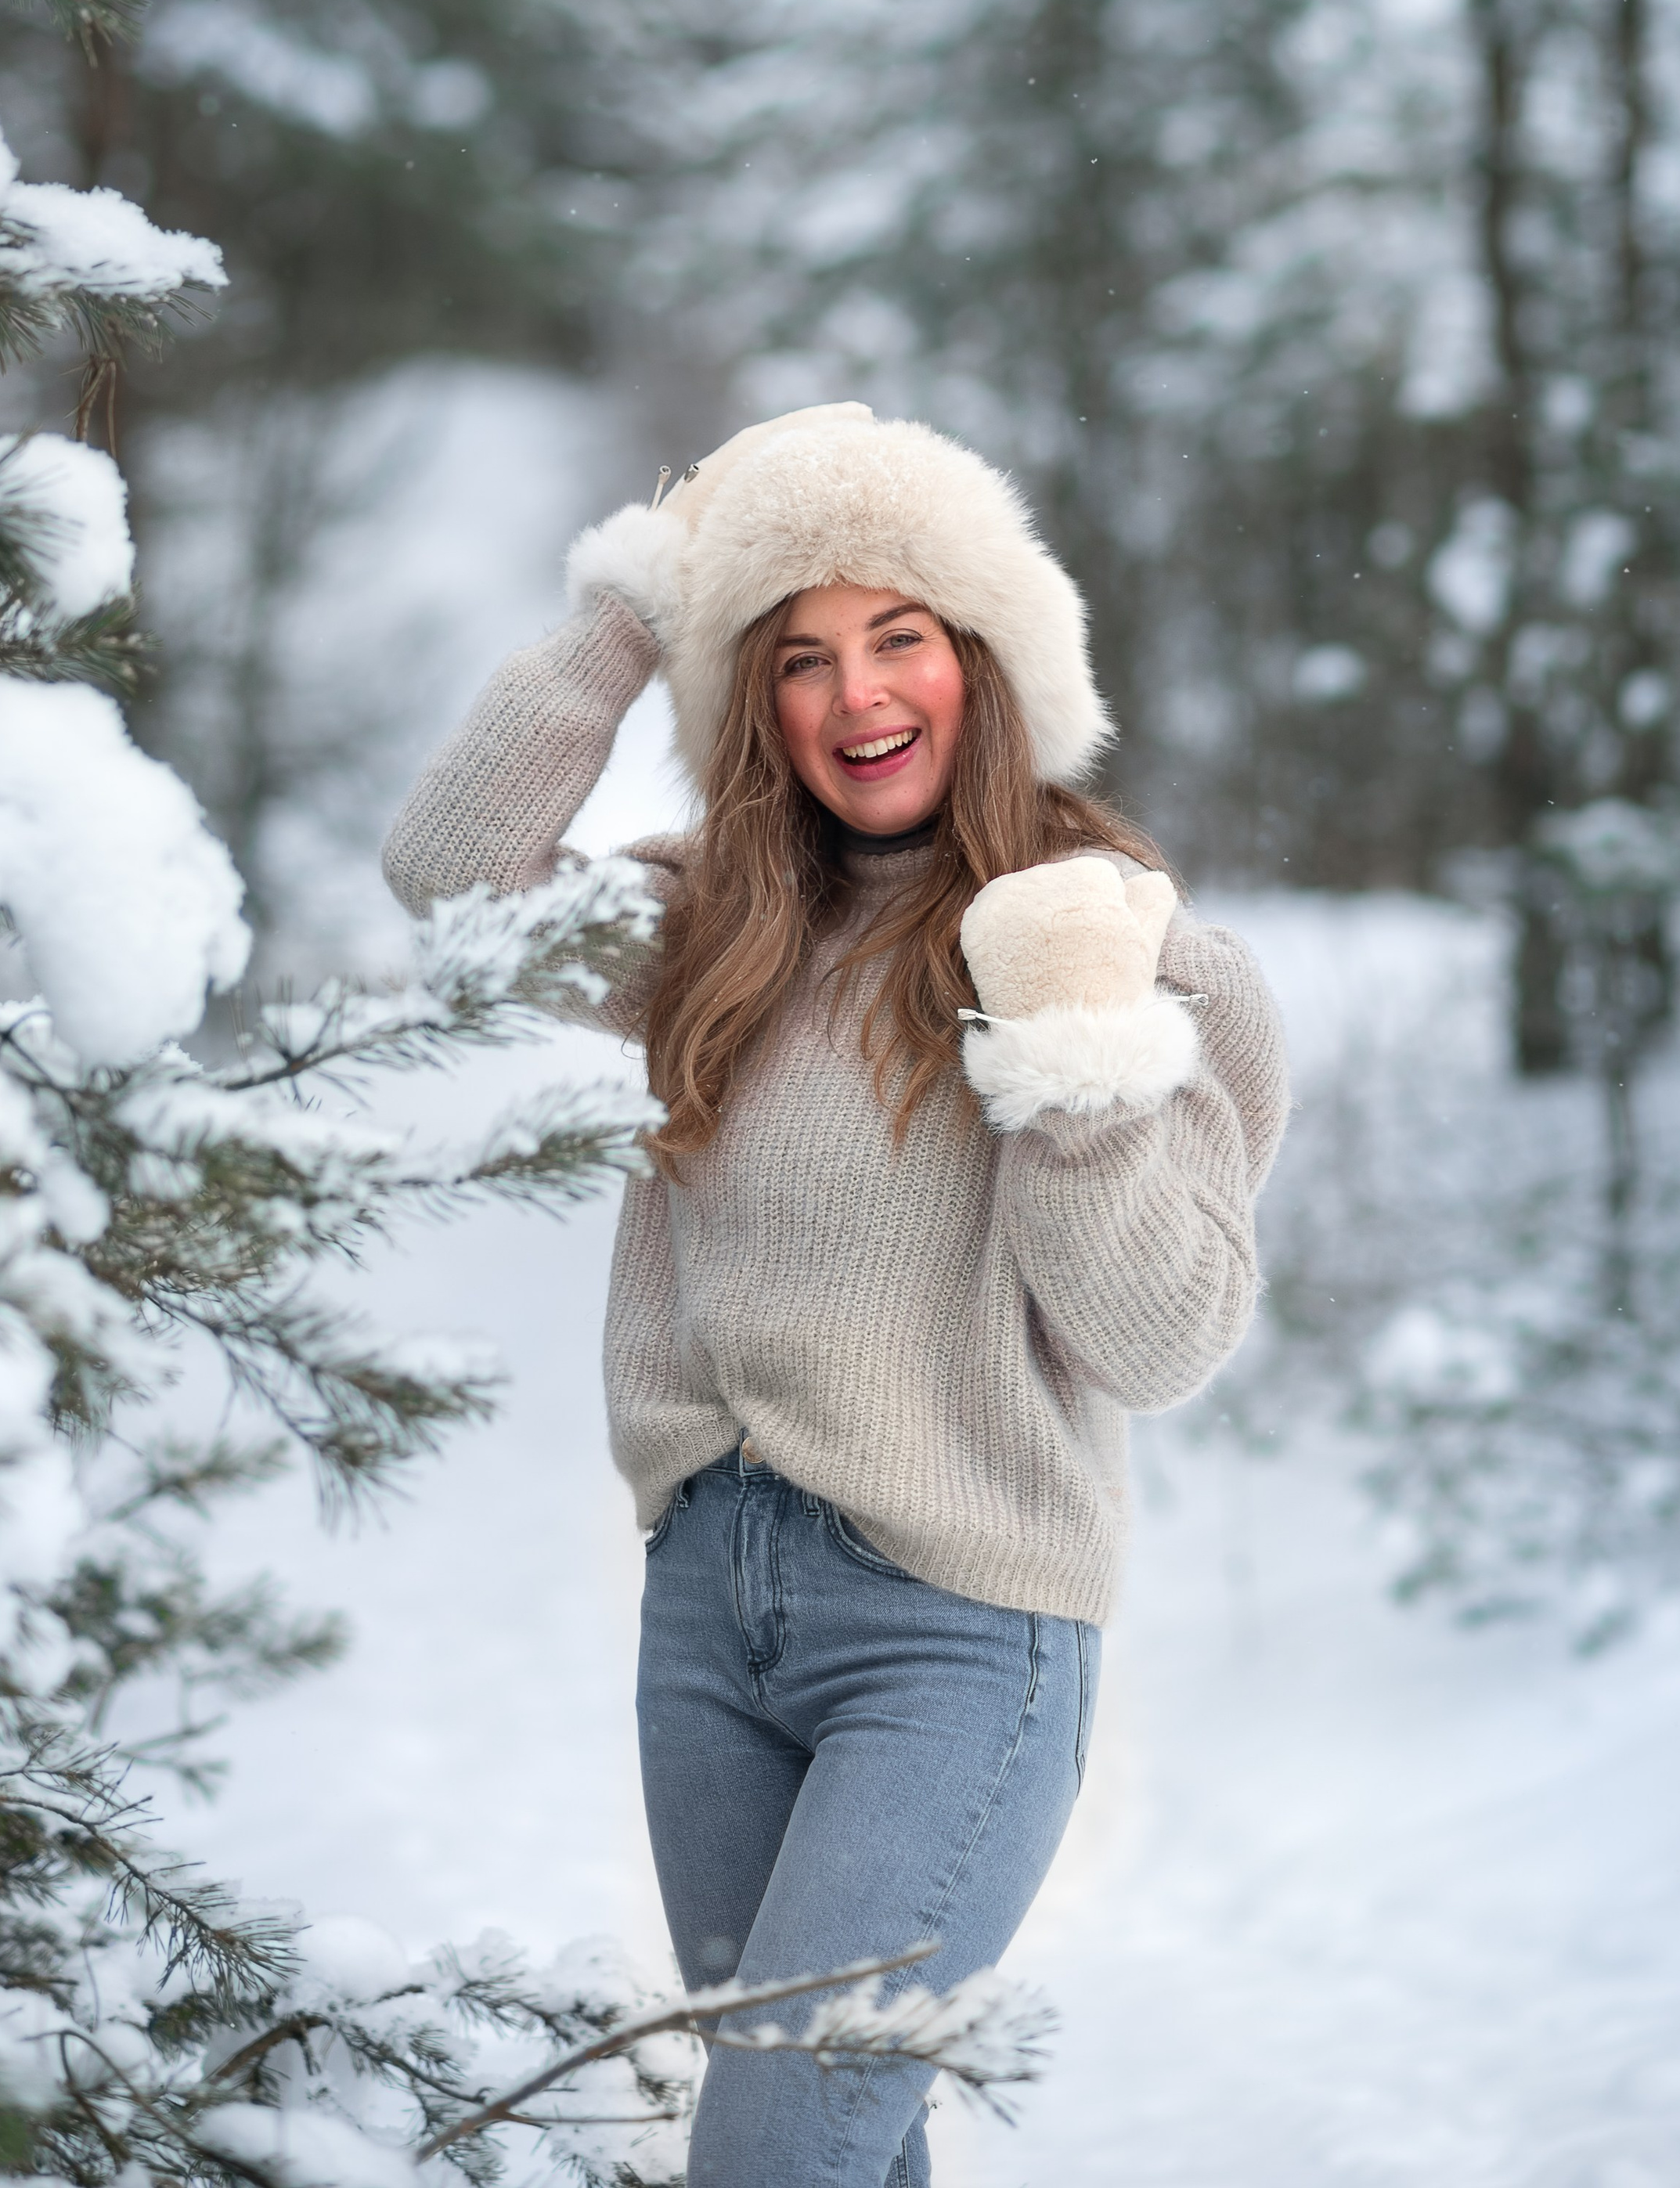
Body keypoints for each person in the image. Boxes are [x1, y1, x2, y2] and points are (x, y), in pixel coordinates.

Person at [382, 402, 1289, 2188]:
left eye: (902, 637)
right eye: (793, 654)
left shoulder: (1152, 963)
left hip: (957, 1634)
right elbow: (449, 874)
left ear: (988, 661)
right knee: (838, 2156)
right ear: (754, 702)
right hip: (709, 1617)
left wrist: (1070, 1045)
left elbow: (1160, 1338)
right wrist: (636, 612)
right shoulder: (713, 932)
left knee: (774, 2149)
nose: (855, 692)